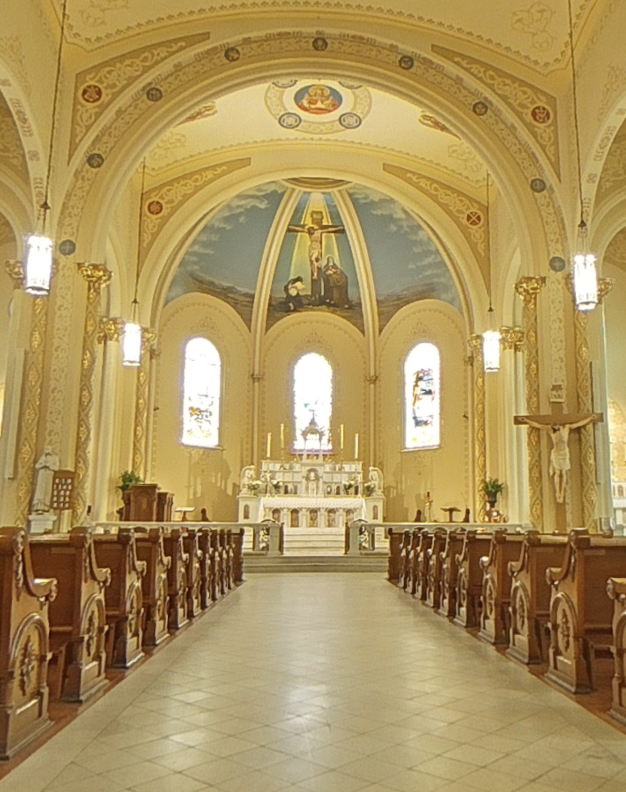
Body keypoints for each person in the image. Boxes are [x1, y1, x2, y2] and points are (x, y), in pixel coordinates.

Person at [517, 415, 599, 503]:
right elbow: (538, 425)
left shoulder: (567, 428)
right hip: (556, 453)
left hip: (564, 453)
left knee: (563, 472)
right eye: (554, 426)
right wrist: (526, 420)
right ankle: (557, 493)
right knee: (557, 472)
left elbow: (578, 424)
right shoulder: (550, 429)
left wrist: (589, 418)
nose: (556, 427)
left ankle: (562, 493)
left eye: (557, 425)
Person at [32, 447, 60, 513]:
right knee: (40, 490)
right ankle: (38, 506)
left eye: (48, 449)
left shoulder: (55, 458)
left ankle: (46, 506)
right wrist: (42, 464)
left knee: (47, 491)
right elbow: (37, 466)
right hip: (42, 475)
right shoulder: (43, 458)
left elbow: (56, 468)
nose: (47, 450)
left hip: (49, 475)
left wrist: (49, 465)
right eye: (46, 449)